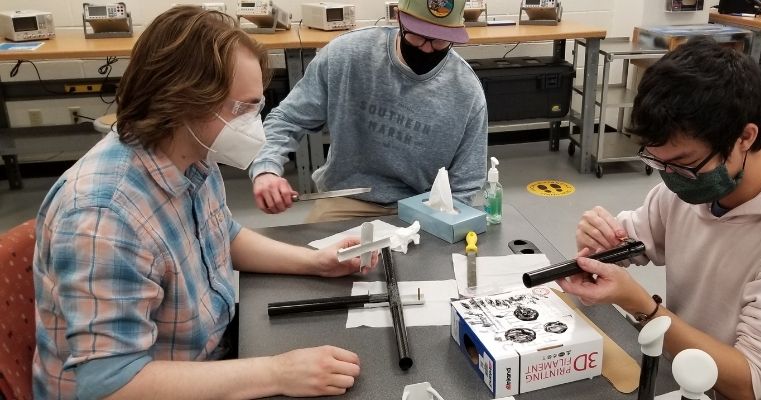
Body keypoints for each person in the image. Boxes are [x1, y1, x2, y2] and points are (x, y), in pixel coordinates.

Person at [32, 7, 376, 399]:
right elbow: (110, 385)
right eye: (240, 109)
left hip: (203, 357)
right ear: (183, 101)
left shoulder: (193, 151)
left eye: (256, 108)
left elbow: (222, 235)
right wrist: (276, 373)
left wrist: (315, 262)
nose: (253, 125)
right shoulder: (104, 218)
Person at [560, 38, 761, 400]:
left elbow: (749, 380)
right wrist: (597, 243)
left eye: (684, 164)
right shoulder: (687, 186)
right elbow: (628, 244)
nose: (670, 177)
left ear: (745, 137)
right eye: (658, 163)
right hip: (678, 378)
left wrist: (642, 306)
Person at [250, 0, 487, 222]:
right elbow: (287, 119)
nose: (427, 49)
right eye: (417, 37)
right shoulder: (347, 55)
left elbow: (467, 182)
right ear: (399, 18)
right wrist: (266, 169)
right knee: (314, 261)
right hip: (346, 199)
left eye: (439, 41)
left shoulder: (467, 91)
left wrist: (441, 223)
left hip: (423, 207)